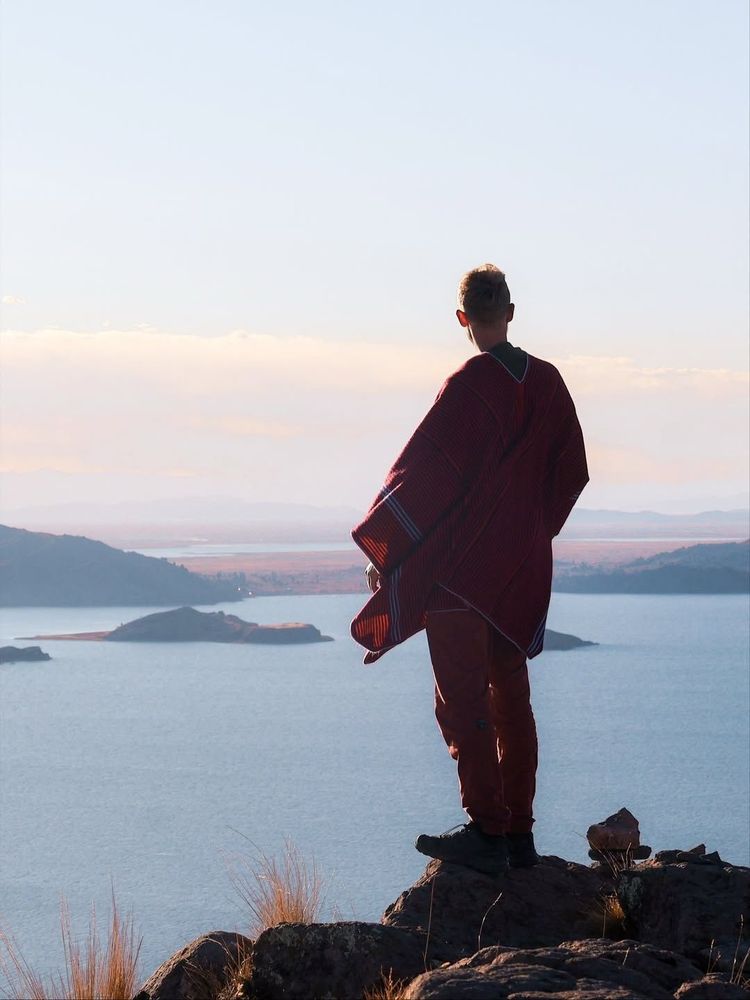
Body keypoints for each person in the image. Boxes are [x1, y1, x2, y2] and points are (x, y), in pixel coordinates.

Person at [350, 264, 589, 875]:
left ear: (462, 318)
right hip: (521, 569)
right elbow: (572, 472)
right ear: (510, 311)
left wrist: (390, 555)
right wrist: (532, 529)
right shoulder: (550, 383)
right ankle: (519, 835)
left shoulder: (467, 386)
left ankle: (486, 829)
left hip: (460, 572)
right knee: (512, 699)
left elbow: (422, 477)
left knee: (461, 700)